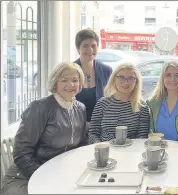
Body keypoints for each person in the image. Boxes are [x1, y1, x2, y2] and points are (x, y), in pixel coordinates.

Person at [1, 62, 88, 195]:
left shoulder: (80, 108)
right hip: (25, 176)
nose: (70, 85)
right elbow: (21, 153)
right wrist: (45, 175)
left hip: (58, 174)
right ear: (55, 83)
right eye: (64, 80)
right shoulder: (40, 107)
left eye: (75, 80)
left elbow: (81, 143)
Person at [88, 63, 150, 143]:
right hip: (105, 150)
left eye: (131, 78)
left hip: (130, 151)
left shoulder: (142, 107)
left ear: (136, 82)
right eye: (121, 77)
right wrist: (101, 147)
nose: (125, 82)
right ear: (114, 79)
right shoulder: (102, 103)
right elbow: (93, 133)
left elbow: (142, 137)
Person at [74, 29, 112, 123]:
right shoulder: (69, 71)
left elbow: (112, 100)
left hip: (100, 127)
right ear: (78, 48)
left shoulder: (107, 71)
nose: (90, 50)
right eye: (85, 46)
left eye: (93, 46)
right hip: (74, 127)